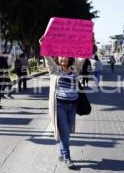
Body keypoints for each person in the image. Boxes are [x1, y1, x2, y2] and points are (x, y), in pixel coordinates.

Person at [40, 38, 84, 169]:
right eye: (61, 56)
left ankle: (61, 152)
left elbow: (83, 56)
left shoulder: (75, 69)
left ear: (70, 58)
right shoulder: (55, 70)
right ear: (58, 58)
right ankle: (67, 157)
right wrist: (43, 44)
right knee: (65, 132)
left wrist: (87, 43)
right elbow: (47, 57)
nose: (63, 58)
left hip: (73, 106)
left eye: (66, 56)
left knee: (68, 131)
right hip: (60, 106)